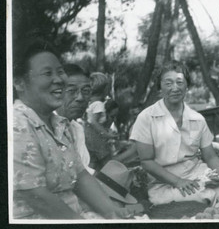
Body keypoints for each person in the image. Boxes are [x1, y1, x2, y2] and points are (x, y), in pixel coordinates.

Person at [12, 40, 131, 219]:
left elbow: (80, 176)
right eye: (47, 73)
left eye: (60, 72)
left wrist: (112, 212)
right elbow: (35, 195)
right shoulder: (16, 125)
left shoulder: (61, 125)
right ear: (19, 83)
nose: (59, 79)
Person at [130, 61, 219, 206]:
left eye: (179, 82)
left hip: (199, 174)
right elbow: (147, 162)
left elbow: (210, 155)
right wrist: (178, 182)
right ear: (160, 88)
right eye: (168, 83)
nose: (175, 88)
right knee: (205, 195)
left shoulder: (197, 119)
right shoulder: (146, 118)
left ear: (186, 86)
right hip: (164, 184)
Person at [55, 64, 94, 174]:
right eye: (71, 91)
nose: (80, 98)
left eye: (86, 91)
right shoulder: (42, 127)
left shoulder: (77, 129)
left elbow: (83, 170)